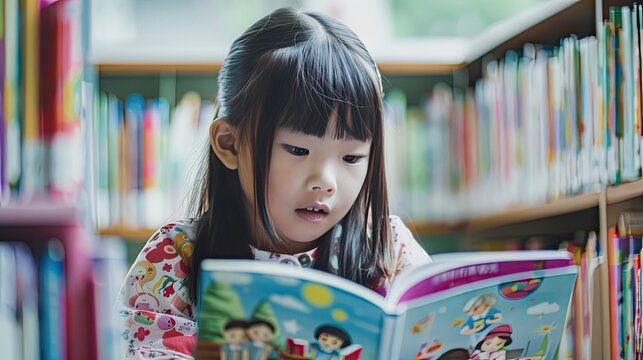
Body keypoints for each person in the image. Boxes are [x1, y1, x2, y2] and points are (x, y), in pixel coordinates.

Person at [116, 7, 431, 359]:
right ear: (229, 144)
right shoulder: (176, 255)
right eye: (298, 149)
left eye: (351, 158)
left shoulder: (390, 250)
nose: (326, 182)